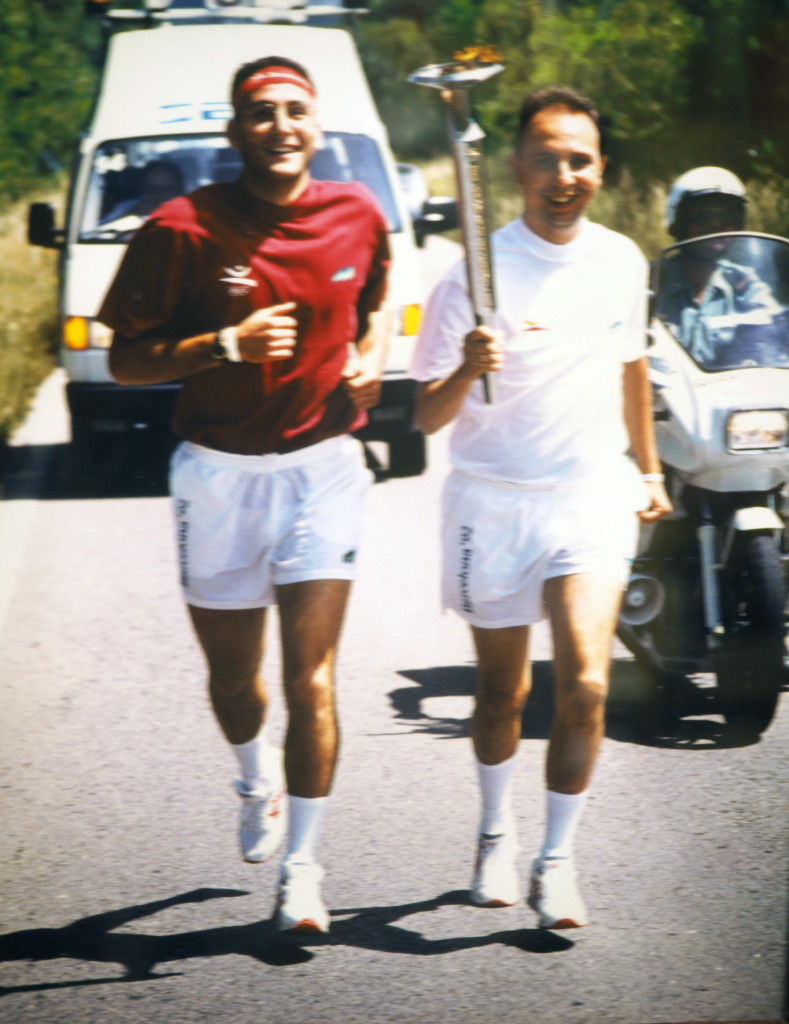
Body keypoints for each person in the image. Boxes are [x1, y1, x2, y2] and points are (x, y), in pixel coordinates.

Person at [97, 56, 391, 934]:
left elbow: (374, 299)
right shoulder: (180, 228)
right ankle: (253, 780)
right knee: (234, 678)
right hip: (217, 472)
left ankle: (302, 871)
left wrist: (371, 354)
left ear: (317, 126)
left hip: (322, 466)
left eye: (295, 111)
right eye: (260, 113)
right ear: (234, 133)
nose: (280, 126)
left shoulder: (358, 214)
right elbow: (123, 360)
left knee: (313, 680)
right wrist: (224, 341)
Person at [410, 86, 672, 929]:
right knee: (499, 697)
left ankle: (556, 863)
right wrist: (465, 365)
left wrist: (649, 470)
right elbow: (424, 415)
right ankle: (495, 832)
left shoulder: (623, 261)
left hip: (587, 496)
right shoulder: (470, 275)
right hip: (491, 502)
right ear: (515, 167)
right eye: (548, 158)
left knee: (588, 685)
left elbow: (632, 367)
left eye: (581, 159)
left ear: (599, 169)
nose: (564, 175)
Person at [657, 166, 781, 364]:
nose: (716, 226)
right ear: (678, 223)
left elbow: (776, 323)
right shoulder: (650, 281)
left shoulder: (743, 284)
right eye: (701, 217)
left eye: (728, 218)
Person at [100, 159, 186, 225]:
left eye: (167, 189)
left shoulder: (188, 212)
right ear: (145, 188)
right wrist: (133, 214)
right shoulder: (128, 207)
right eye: (154, 188)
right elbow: (103, 228)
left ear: (178, 190)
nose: (159, 194)